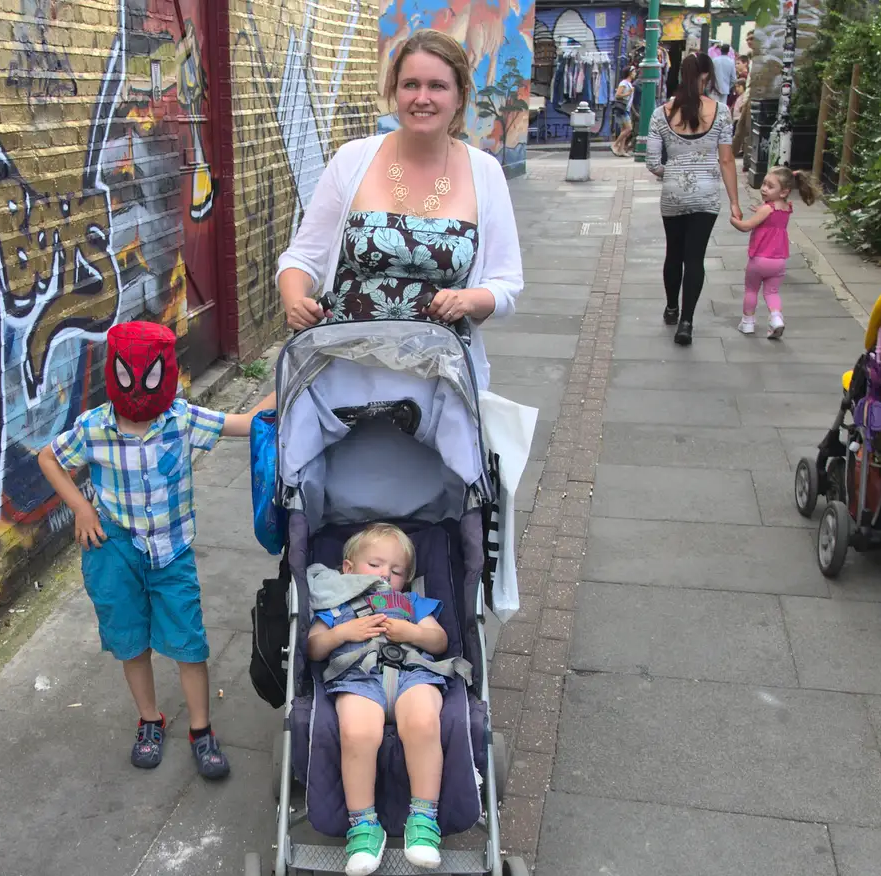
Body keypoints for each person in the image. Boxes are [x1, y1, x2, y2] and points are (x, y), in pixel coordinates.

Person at [37, 321, 276, 774]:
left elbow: (247, 423)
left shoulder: (181, 419)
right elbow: (49, 457)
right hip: (113, 549)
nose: (141, 396)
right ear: (115, 371)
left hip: (171, 551)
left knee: (188, 643)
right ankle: (150, 719)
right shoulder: (94, 427)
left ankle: (201, 730)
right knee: (130, 642)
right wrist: (81, 509)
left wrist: (291, 373)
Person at [276, 28, 524, 390]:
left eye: (437, 86)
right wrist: (295, 299)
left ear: (459, 96)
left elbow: (505, 285)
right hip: (343, 370)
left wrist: (467, 300)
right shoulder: (353, 159)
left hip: (440, 380)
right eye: (411, 85)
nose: (422, 98)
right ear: (395, 91)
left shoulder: (484, 173)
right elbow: (302, 258)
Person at [306, 523, 453, 875]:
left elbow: (440, 642)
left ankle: (423, 820)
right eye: (376, 564)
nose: (386, 573)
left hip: (413, 674)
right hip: (358, 677)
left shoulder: (411, 603)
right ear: (348, 568)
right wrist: (342, 632)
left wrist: (414, 631)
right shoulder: (335, 602)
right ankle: (363, 826)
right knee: (357, 734)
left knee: (422, 721)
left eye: (397, 570)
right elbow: (312, 647)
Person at [645, 50, 741, 346]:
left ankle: (671, 307)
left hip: (673, 193)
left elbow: (651, 162)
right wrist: (735, 202)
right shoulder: (722, 112)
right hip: (707, 195)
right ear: (706, 76)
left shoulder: (661, 113)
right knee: (694, 258)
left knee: (673, 253)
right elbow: (726, 161)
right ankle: (686, 322)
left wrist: (671, 171)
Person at [728, 165, 817, 338]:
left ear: (784, 192)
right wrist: (760, 210)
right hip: (779, 260)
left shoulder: (767, 209)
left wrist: (734, 221)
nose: (763, 188)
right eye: (764, 184)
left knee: (751, 290)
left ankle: (747, 322)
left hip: (759, 259)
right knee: (772, 292)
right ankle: (776, 318)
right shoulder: (787, 207)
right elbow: (772, 219)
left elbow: (746, 226)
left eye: (769, 186)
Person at [610, 66, 638, 156]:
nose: (635, 74)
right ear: (629, 73)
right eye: (634, 72)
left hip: (626, 108)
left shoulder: (629, 84)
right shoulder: (624, 83)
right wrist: (628, 93)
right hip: (622, 109)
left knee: (624, 129)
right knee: (629, 128)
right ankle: (615, 145)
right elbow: (617, 95)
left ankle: (621, 150)